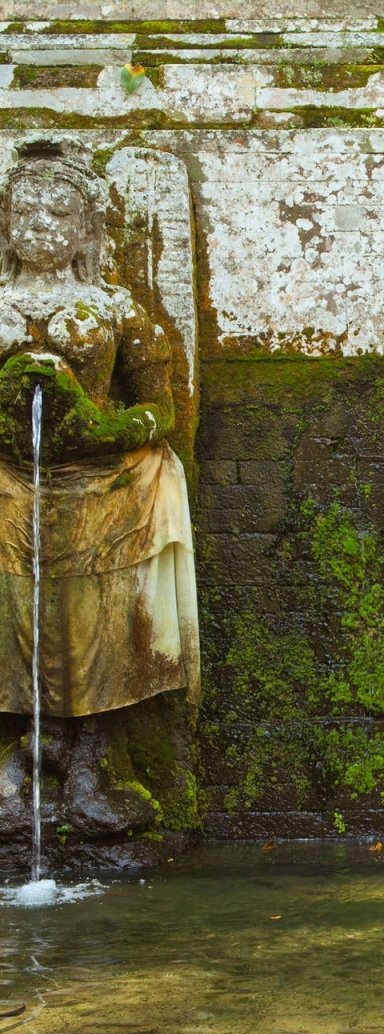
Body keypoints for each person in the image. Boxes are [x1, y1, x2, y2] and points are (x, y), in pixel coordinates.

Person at [0, 136, 199, 809]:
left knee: (97, 618)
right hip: (7, 487)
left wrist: (98, 426)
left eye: (58, 217)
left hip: (96, 486)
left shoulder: (116, 311)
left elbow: (160, 408)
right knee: (12, 616)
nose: (40, 230)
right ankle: (25, 745)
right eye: (25, 215)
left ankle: (93, 753)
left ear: (86, 228)